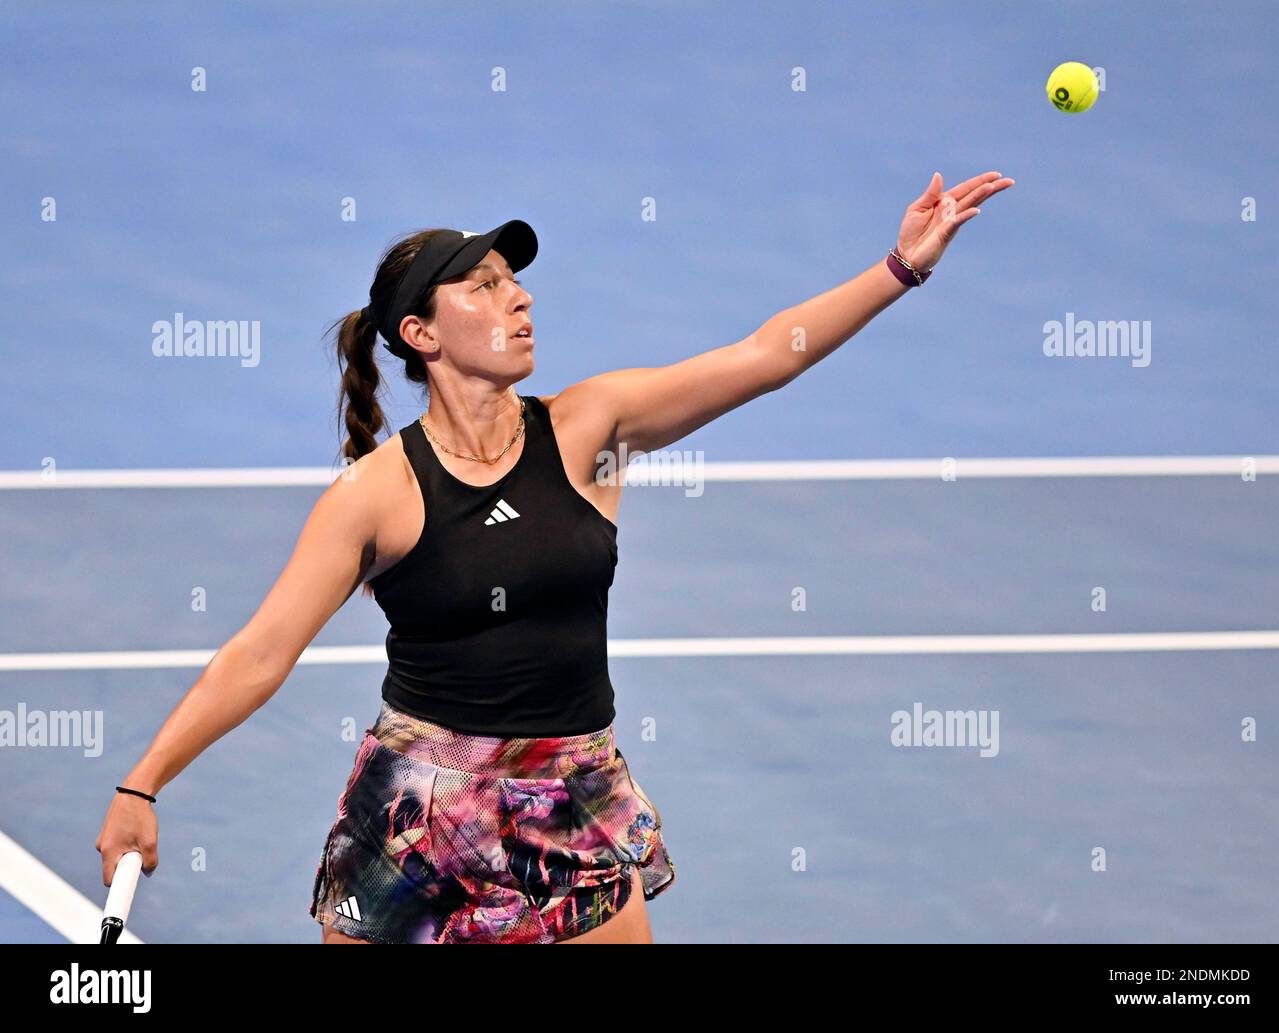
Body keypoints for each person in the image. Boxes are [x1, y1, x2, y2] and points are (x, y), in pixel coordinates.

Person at [95, 170, 1014, 943]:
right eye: (485, 287)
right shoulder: (377, 494)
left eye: (516, 281)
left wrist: (901, 266)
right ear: (421, 334)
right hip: (422, 808)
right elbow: (260, 653)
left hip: (573, 793)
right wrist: (144, 781)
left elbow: (769, 355)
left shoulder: (591, 432)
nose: (519, 297)